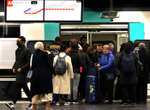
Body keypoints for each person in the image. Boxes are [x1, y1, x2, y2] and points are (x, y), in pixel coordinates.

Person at [6, 36, 32, 110]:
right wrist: (14, 67)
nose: (17, 42)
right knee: (25, 88)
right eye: (17, 41)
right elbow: (17, 61)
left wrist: (22, 68)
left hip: (23, 72)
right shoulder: (17, 50)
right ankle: (32, 103)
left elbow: (28, 63)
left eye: (19, 41)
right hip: (18, 72)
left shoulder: (27, 50)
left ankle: (12, 103)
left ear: (23, 42)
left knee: (17, 87)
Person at [31, 42, 54, 110]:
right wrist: (53, 73)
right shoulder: (45, 54)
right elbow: (50, 65)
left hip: (35, 75)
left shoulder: (33, 55)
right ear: (42, 47)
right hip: (45, 75)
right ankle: (48, 107)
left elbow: (32, 66)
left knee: (35, 91)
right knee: (47, 91)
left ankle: (34, 107)